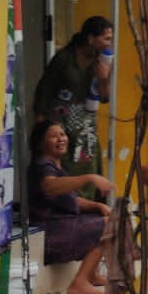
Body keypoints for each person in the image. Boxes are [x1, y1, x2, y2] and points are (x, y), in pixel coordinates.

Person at [26, 119, 116, 294]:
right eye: (53, 136)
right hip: (51, 236)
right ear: (40, 144)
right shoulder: (41, 166)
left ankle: (91, 274)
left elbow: (72, 200)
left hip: (63, 229)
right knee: (109, 225)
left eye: (62, 134)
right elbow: (50, 186)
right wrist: (89, 177)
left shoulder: (58, 167)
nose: (61, 139)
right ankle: (80, 282)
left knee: (111, 218)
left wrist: (98, 205)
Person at [34, 16, 114, 179]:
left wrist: (104, 79)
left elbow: (105, 98)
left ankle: (88, 202)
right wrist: (40, 128)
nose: (109, 43)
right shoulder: (64, 59)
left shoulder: (102, 61)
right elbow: (44, 91)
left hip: (85, 126)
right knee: (62, 168)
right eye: (106, 38)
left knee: (86, 166)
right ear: (91, 38)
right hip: (60, 123)